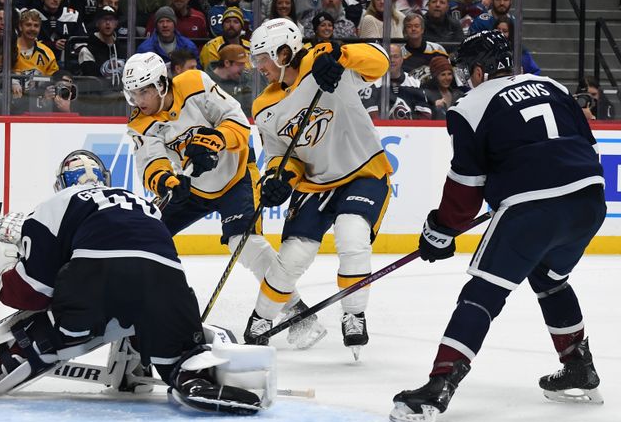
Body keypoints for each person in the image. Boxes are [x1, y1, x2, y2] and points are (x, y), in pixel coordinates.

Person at [390, 30, 607, 422]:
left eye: (465, 71)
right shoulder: (553, 85)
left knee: (483, 292)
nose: (464, 79)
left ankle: (439, 387)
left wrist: (440, 229)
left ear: (478, 69)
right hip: (590, 200)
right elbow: (588, 149)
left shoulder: (470, 105)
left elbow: (465, 188)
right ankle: (578, 365)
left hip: (531, 209)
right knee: (549, 277)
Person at [0, 150, 273, 415]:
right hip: (168, 285)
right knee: (172, 345)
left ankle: (18, 353)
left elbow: (33, 292)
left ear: (62, 183)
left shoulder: (57, 202)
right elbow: (142, 259)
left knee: (68, 321)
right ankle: (188, 376)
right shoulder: (144, 205)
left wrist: (3, 272)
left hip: (95, 287)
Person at [122, 52, 327, 349]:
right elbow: (150, 163)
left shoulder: (193, 83)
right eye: (133, 93)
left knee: (246, 245)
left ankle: (298, 312)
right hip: (191, 186)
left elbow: (238, 124)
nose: (139, 100)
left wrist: (215, 140)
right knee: (147, 235)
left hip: (236, 175)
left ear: (162, 85)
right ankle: (137, 306)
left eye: (144, 91)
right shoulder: (140, 122)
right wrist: (167, 180)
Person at [245, 18, 393, 360]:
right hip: (315, 184)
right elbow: (283, 157)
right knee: (293, 256)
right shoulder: (264, 107)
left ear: (284, 52)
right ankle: (260, 318)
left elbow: (379, 63)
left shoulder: (323, 60)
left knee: (352, 234)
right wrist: (278, 181)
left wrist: (343, 54)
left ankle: (354, 313)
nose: (259, 68)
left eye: (263, 59)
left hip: (363, 172)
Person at [361, 43, 432, 120]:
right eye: (389, 57)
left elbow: (425, 116)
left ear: (402, 59)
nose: (392, 60)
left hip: (409, 130)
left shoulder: (415, 83)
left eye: (396, 56)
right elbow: (370, 116)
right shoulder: (372, 83)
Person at [37, 0, 88, 65]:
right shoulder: (34, 15)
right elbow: (29, 44)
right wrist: (52, 45)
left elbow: (82, 41)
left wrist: (70, 47)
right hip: (40, 62)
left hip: (68, 63)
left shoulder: (72, 15)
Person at [75, 5, 126, 88]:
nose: (108, 23)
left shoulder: (122, 48)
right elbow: (91, 82)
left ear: (116, 23)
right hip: (98, 98)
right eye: (104, 19)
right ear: (97, 23)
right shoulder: (87, 51)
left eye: (111, 19)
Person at [401, 12, 448, 77]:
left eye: (416, 26)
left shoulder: (437, 49)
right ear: (405, 30)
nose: (413, 29)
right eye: (409, 26)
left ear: (422, 29)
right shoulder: (399, 54)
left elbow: (447, 74)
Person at [422, 54, 463, 119]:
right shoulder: (425, 95)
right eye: (443, 75)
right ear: (435, 76)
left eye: (449, 74)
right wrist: (433, 108)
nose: (447, 78)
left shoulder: (459, 95)